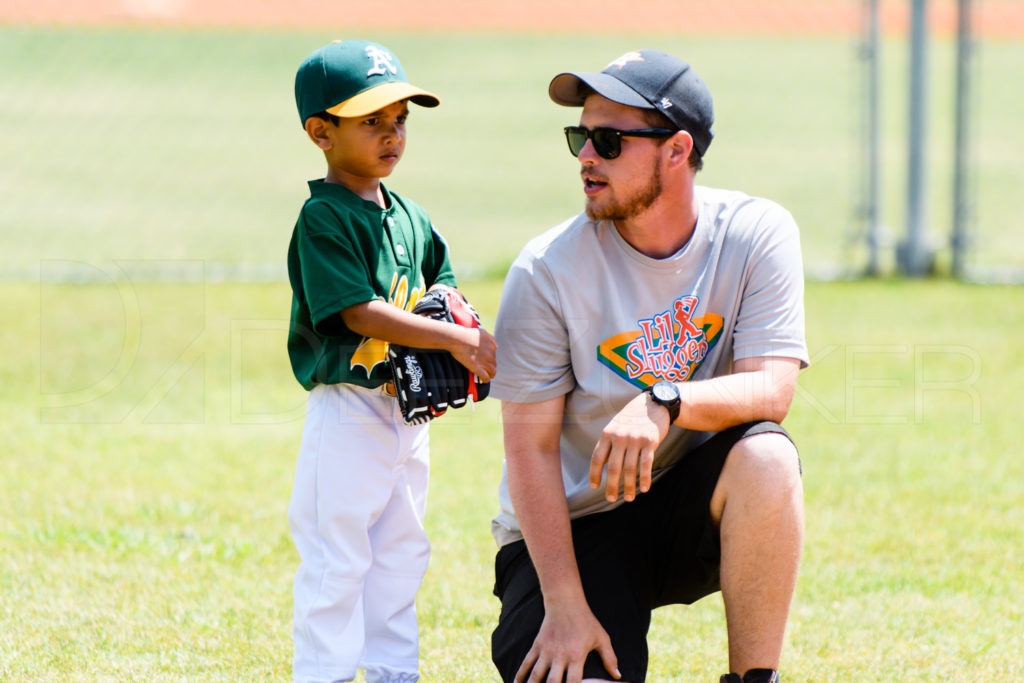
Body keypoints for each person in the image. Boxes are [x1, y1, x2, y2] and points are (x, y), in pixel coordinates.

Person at [487, 49, 808, 683]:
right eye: (580, 136)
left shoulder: (756, 233)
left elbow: (773, 388)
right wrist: (565, 605)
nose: (585, 157)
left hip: (685, 504)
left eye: (608, 140)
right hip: (575, 529)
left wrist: (662, 401)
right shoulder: (545, 269)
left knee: (767, 456)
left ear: (677, 150)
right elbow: (529, 448)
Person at [285, 39, 497, 683]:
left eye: (400, 118)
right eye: (371, 120)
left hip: (409, 414)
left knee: (402, 549)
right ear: (321, 132)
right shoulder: (323, 217)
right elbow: (358, 313)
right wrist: (457, 343)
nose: (392, 134)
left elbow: (447, 293)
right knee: (338, 556)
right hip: (348, 410)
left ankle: (390, 671)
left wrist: (465, 329)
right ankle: (324, 673)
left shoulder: (411, 216)